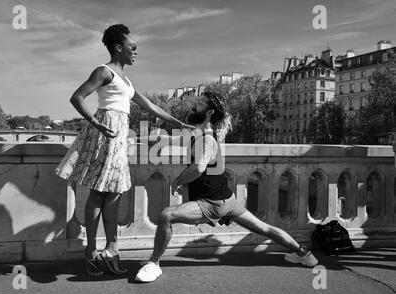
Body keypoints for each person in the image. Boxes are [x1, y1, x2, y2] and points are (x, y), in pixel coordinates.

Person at [135, 91, 319, 283]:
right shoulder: (198, 134)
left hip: (212, 202)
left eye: (200, 103)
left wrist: (177, 181)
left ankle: (154, 263)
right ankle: (304, 254)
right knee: (264, 228)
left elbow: (198, 168)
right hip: (227, 199)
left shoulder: (207, 139)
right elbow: (176, 141)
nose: (194, 105)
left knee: (166, 215)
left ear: (210, 112)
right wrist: (155, 139)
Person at [55, 24, 193, 276]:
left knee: (114, 193)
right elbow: (77, 97)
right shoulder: (104, 71)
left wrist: (176, 121)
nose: (136, 51)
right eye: (133, 47)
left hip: (119, 137)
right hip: (106, 131)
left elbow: (149, 105)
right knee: (99, 193)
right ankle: (92, 253)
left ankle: (111, 249)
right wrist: (95, 122)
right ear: (119, 48)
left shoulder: (126, 80)